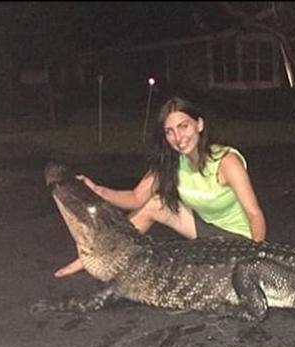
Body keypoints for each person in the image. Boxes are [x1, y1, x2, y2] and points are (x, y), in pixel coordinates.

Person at [54, 96, 266, 277]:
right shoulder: (172, 163)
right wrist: (98, 190)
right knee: (154, 203)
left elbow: (254, 214)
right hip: (207, 233)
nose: (178, 137)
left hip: (240, 242)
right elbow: (135, 197)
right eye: (170, 131)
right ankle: (103, 254)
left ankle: (245, 258)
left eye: (184, 126)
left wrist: (256, 257)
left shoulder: (227, 162)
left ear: (199, 125)